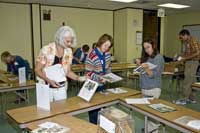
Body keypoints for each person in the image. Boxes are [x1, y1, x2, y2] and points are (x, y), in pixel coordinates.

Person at [35, 26, 85, 102]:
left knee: (62, 110)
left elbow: (67, 72)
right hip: (45, 86)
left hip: (61, 87)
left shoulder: (68, 52)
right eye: (67, 41)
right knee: (45, 112)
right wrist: (48, 80)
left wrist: (79, 78)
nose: (69, 44)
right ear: (60, 39)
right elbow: (37, 70)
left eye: (71, 42)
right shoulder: (46, 50)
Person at [85, 34, 113, 124]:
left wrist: (109, 75)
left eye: (108, 47)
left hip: (103, 85)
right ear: (100, 42)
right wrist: (99, 78)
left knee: (104, 110)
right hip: (93, 86)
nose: (106, 48)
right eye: (105, 45)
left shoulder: (108, 55)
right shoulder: (92, 55)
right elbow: (88, 73)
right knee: (93, 111)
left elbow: (108, 68)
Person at [177, 29, 200, 104]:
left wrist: (185, 58)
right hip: (189, 62)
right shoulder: (187, 42)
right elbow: (187, 53)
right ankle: (192, 98)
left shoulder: (192, 40)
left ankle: (185, 98)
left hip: (193, 62)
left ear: (185, 35)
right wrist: (180, 56)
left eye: (181, 37)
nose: (181, 39)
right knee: (192, 81)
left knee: (187, 81)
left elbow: (197, 53)